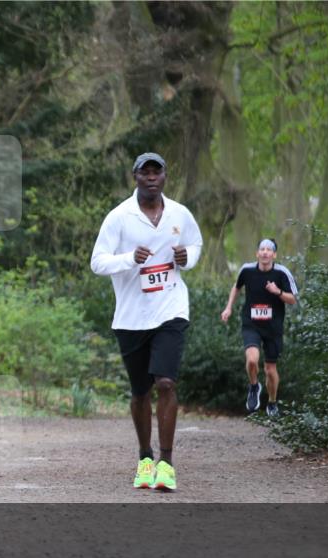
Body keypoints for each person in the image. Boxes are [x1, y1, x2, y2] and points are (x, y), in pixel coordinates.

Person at [90, 152, 203, 491]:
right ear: (135, 177)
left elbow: (195, 244)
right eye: (145, 172)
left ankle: (166, 464)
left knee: (166, 383)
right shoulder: (119, 218)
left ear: (165, 176)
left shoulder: (179, 213)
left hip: (170, 308)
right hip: (131, 316)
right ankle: (144, 457)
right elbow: (97, 262)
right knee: (141, 391)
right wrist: (129, 259)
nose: (151, 177)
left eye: (157, 171)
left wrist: (188, 258)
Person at [221, 239, 298, 417]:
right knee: (252, 360)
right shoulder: (247, 270)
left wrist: (277, 292)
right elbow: (236, 287)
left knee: (270, 370)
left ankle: (272, 402)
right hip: (251, 323)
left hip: (273, 327)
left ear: (274, 255)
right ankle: (254, 386)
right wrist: (228, 307)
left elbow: (293, 299)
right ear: (257, 253)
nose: (265, 252)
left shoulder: (282, 273)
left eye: (269, 250)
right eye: (262, 249)